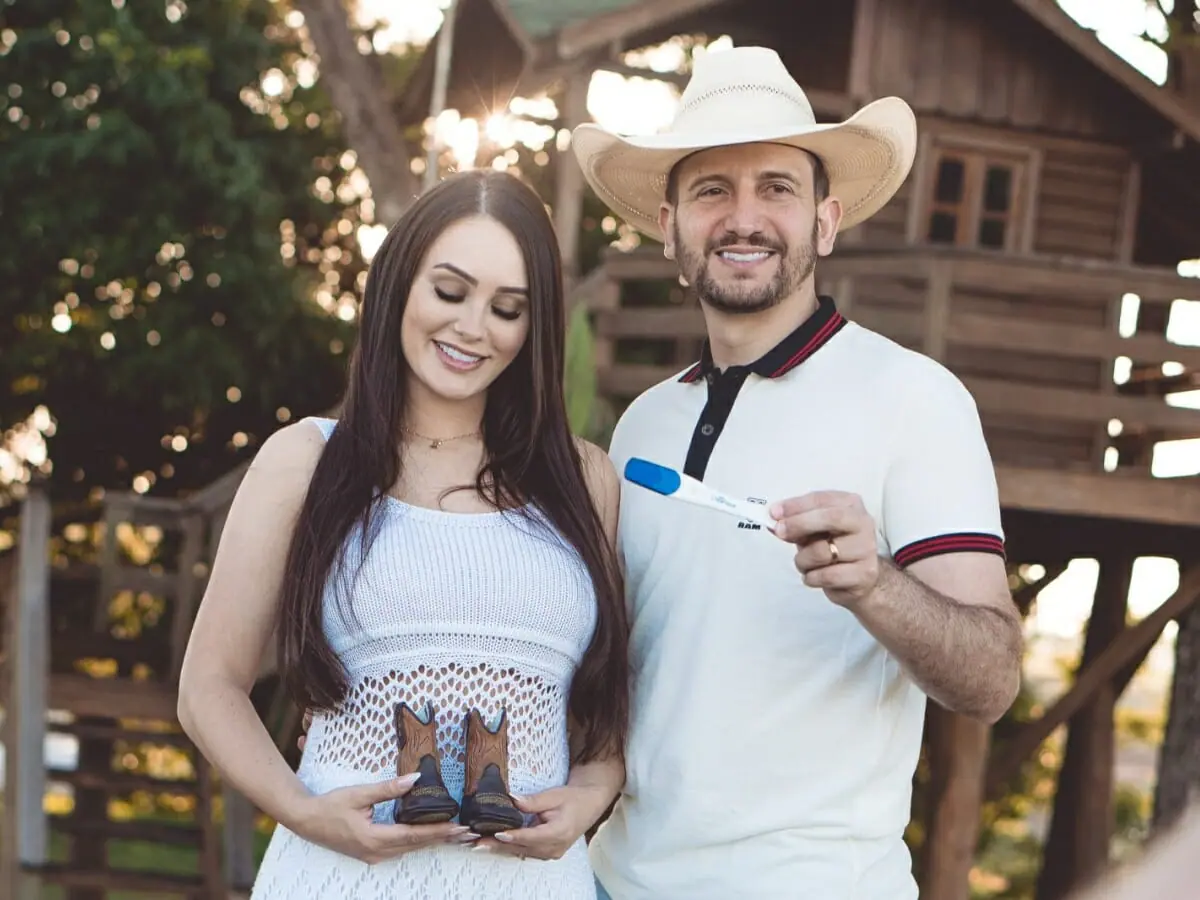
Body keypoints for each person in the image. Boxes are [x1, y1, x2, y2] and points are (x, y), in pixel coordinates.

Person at [569, 46, 1025, 899]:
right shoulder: (643, 426)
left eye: (777, 187)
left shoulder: (916, 399)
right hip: (613, 883)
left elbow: (993, 678)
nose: (745, 218)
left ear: (824, 220)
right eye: (712, 190)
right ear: (670, 227)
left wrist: (876, 586)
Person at [177, 169, 628, 899]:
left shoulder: (586, 483)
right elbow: (208, 688)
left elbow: (606, 707)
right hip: (343, 879)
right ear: (398, 287)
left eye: (508, 308)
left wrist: (590, 794)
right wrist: (308, 814)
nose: (473, 328)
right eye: (450, 292)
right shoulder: (307, 462)